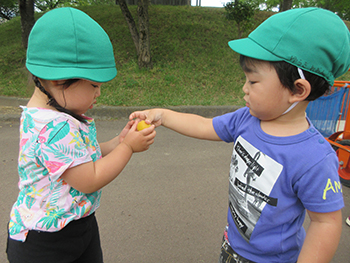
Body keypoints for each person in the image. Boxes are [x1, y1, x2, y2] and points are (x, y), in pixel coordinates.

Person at [130, 7, 350, 263]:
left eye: (253, 82)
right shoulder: (247, 119)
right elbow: (205, 125)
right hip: (233, 245)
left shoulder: (314, 157)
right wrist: (164, 115)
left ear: (298, 90)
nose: (244, 89)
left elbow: (325, 222)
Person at [6, 7, 156, 263]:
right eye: (94, 85)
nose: (98, 93)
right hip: (46, 244)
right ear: (57, 80)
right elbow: (89, 178)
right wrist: (128, 148)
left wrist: (117, 142)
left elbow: (81, 156)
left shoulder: (51, 115)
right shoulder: (52, 127)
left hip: (76, 224)